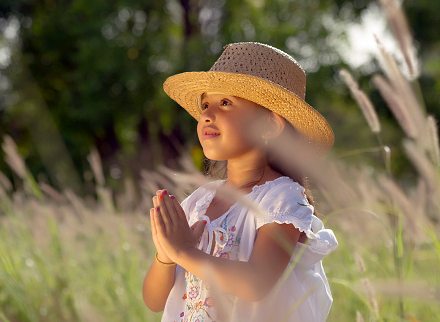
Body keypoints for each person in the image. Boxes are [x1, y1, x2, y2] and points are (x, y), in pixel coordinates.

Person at [143, 42, 338, 322]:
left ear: (269, 126)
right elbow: (153, 301)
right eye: (205, 104)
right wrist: (165, 256)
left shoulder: (281, 199)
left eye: (226, 103)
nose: (207, 114)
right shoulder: (199, 201)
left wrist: (183, 251)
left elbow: (256, 283)